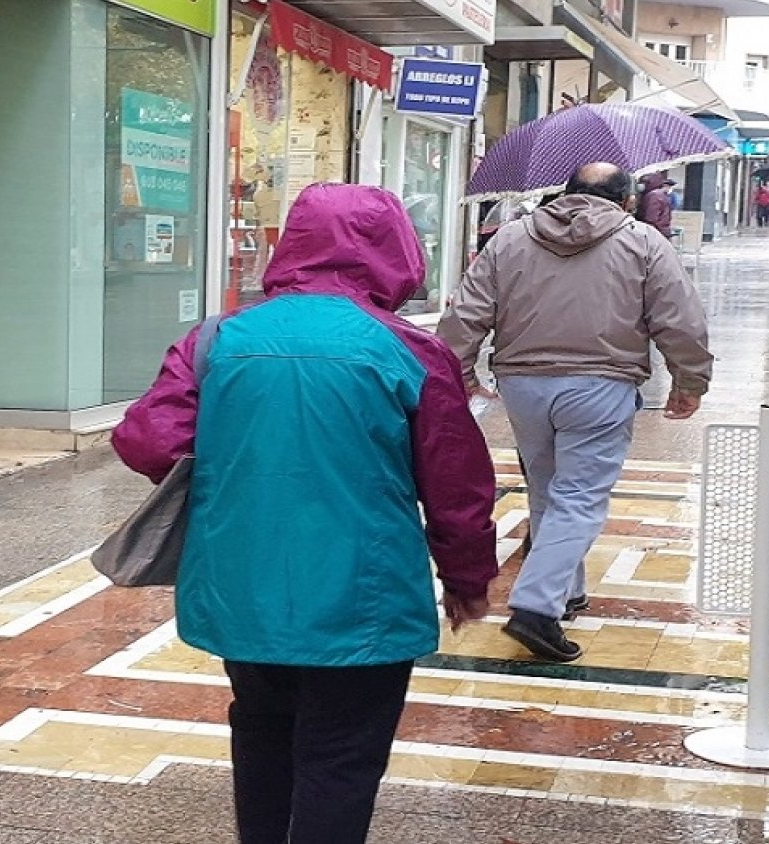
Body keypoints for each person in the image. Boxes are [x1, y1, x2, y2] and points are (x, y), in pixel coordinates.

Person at [112, 184, 499, 844]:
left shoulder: (217, 339)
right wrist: (468, 581)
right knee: (341, 757)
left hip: (242, 587)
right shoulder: (408, 349)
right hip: (364, 597)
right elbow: (457, 486)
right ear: (395, 250)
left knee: (261, 733)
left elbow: (147, 439)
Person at [439, 162, 713, 663]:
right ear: (626, 200)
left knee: (548, 489)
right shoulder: (645, 242)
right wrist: (690, 380)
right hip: (601, 384)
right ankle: (536, 607)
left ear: (564, 195)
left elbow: (467, 312)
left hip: (523, 385)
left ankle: (567, 591)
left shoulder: (510, 238)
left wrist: (459, 371)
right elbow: (680, 318)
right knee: (580, 497)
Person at [636, 171, 676, 239]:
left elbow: (651, 218)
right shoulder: (658, 195)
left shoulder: (654, 195)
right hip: (661, 231)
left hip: (655, 233)